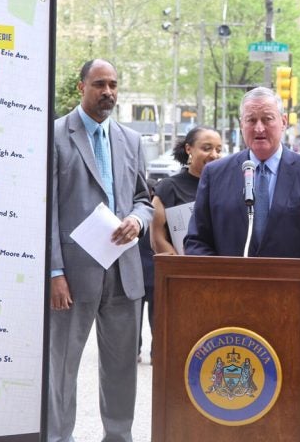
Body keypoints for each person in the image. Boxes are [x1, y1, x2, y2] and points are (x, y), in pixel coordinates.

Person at [183, 86, 300, 442]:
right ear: (240, 125)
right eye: (251, 120)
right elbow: (196, 241)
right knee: (239, 408)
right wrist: (220, 281)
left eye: (267, 119)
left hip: (294, 314)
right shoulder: (217, 174)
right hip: (228, 312)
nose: (259, 128)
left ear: (284, 122)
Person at [49, 58, 153, 442]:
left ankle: (118, 435)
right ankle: (59, 437)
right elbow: (45, 209)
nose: (108, 92)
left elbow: (144, 198)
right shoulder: (55, 135)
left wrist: (139, 221)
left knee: (122, 366)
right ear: (81, 88)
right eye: (99, 84)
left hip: (124, 273)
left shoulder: (131, 140)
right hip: (72, 277)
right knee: (62, 367)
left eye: (113, 84)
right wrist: (54, 273)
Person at [150, 126, 222, 256]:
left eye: (218, 150)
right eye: (207, 148)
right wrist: (183, 267)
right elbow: (157, 239)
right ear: (189, 149)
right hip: (180, 269)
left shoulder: (225, 187)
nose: (214, 155)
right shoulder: (168, 187)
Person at [137, 178, 158, 364]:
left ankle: (135, 351)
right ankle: (155, 354)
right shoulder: (157, 217)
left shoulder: (137, 218)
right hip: (155, 276)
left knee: (136, 318)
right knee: (156, 318)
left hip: (138, 276)